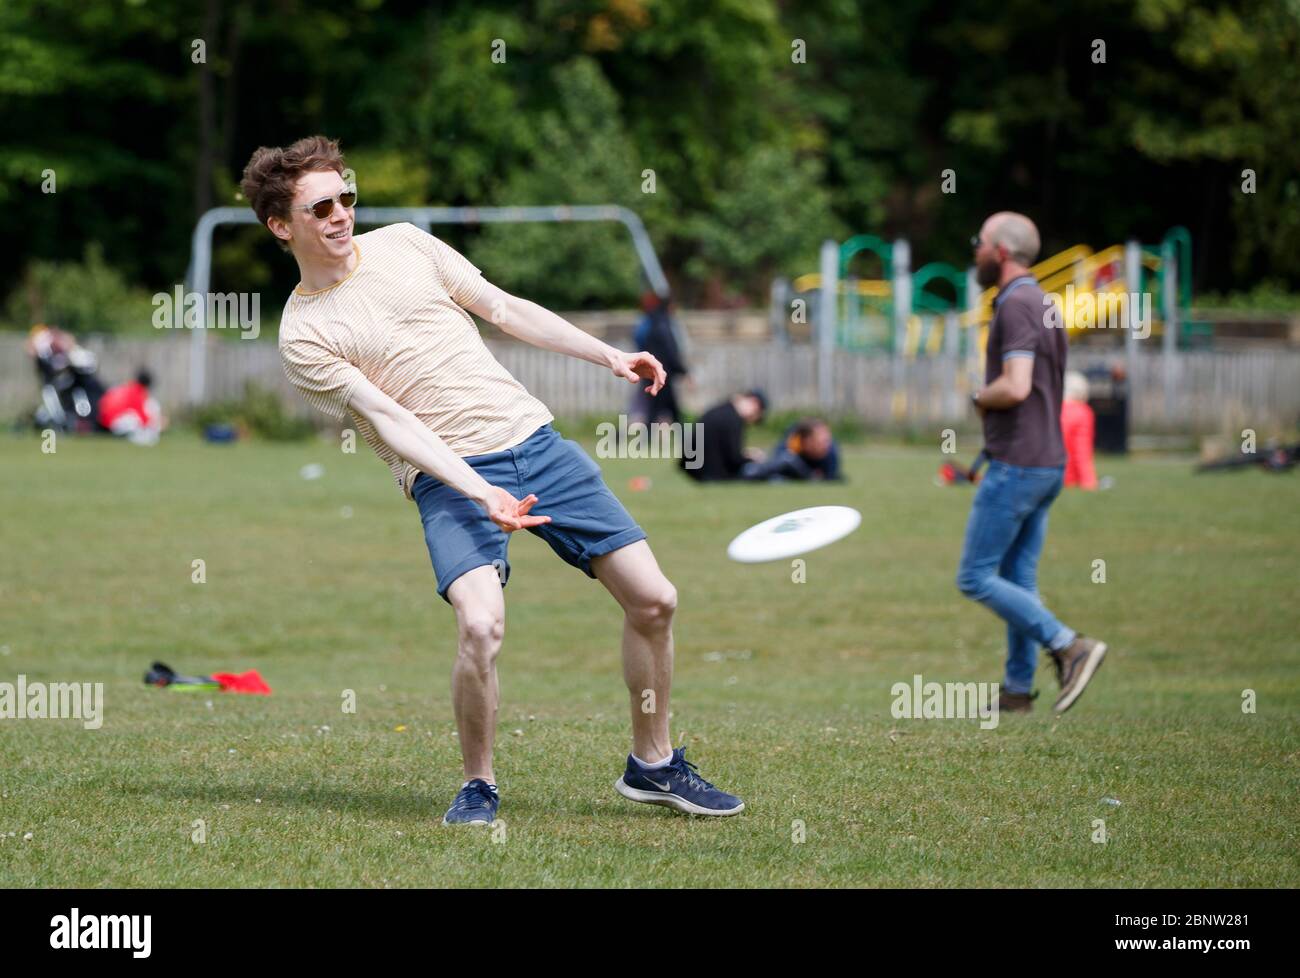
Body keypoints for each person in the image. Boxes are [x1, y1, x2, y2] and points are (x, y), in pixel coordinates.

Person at [242, 136, 743, 824]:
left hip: (534, 443)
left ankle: (651, 765)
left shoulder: (408, 245)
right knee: (480, 626)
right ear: (280, 224)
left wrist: (610, 356)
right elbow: (391, 421)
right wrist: (480, 492)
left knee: (655, 600)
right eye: (320, 206)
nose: (341, 214)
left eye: (347, 197)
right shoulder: (304, 335)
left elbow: (503, 308)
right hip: (447, 478)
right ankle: (479, 784)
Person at [956, 212, 1108, 714]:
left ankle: (1069, 645)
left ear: (1000, 251)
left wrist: (980, 396)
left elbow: (1016, 385)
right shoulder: (1042, 301)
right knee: (1017, 579)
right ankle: (1018, 690)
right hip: (1046, 464)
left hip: (1018, 464)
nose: (973, 249)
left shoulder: (1017, 304)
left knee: (975, 576)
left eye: (979, 241)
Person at [627, 292, 689, 426]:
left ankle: (684, 437)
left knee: (654, 408)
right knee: (662, 409)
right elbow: (670, 351)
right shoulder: (664, 324)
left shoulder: (651, 321)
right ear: (671, 306)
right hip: (661, 373)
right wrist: (683, 371)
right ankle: (687, 439)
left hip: (649, 370)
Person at [679, 390, 766, 482]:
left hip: (696, 471)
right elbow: (734, 458)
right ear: (754, 403)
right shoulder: (734, 419)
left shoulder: (719, 411)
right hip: (715, 475)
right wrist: (751, 457)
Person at [742, 417, 842, 482]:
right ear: (808, 441)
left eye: (827, 440)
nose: (826, 445)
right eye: (821, 441)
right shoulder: (793, 443)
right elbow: (777, 459)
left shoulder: (831, 451)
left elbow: (831, 477)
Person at [97, 369, 163, 445]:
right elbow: (141, 414)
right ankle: (133, 436)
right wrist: (153, 424)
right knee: (135, 418)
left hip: (104, 421)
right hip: (113, 422)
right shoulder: (137, 392)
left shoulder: (128, 387)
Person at [1061, 371, 1098, 490]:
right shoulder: (1082, 412)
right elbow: (1081, 451)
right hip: (1069, 480)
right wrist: (1089, 482)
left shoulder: (1053, 409)